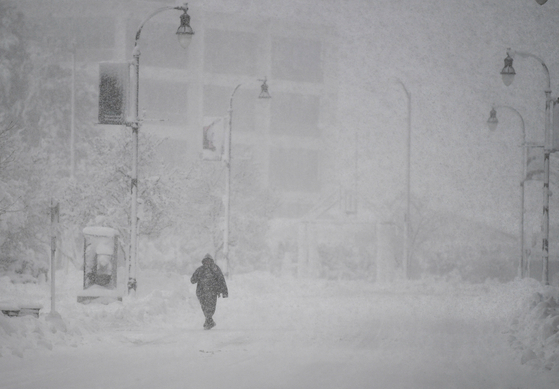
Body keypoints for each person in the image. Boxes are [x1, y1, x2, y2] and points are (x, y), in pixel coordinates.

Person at [190, 253, 228, 330]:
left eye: (209, 261)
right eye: (206, 261)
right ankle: (209, 321)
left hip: (213, 292)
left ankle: (209, 321)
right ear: (203, 262)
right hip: (201, 292)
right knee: (204, 307)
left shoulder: (215, 269)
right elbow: (192, 280)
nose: (207, 262)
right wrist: (196, 277)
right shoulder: (200, 269)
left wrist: (224, 291)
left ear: (211, 261)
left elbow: (221, 280)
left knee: (211, 307)